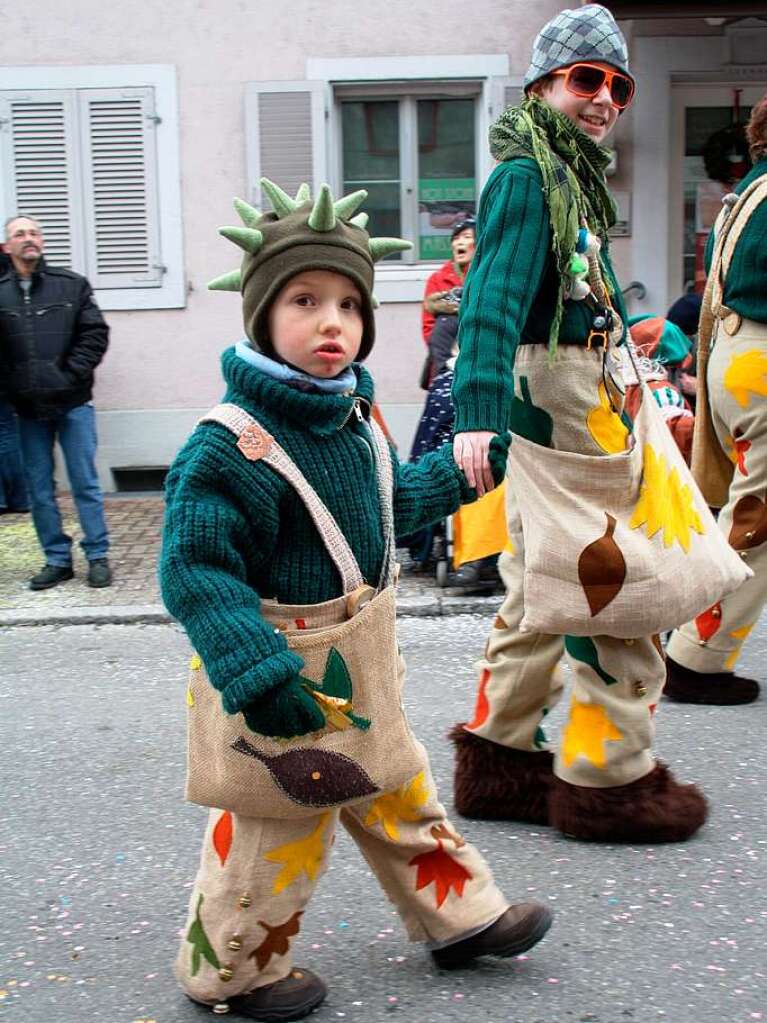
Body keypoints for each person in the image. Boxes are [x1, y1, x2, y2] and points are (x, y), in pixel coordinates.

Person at [159, 180, 551, 1021]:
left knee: (398, 784)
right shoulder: (228, 446)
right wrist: (257, 671)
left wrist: (455, 474)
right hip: (284, 675)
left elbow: (386, 508)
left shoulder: (353, 422)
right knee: (279, 821)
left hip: (360, 660)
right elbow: (195, 570)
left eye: (347, 302)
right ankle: (229, 971)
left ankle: (461, 915)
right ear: (261, 316)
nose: (331, 321)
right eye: (303, 300)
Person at [449, 4, 707, 843]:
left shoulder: (562, 171)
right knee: (614, 586)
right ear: (542, 86)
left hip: (565, 395)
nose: (603, 98)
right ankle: (607, 781)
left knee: (541, 588)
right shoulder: (529, 175)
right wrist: (476, 416)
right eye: (585, 79)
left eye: (617, 85)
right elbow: (487, 300)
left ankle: (497, 758)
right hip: (555, 404)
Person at [665, 94, 767, 706]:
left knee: (748, 510)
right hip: (759, 358)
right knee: (755, 519)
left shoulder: (748, 192)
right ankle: (696, 656)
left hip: (737, 355)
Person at [0, 216, 111, 589]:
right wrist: (12, 386)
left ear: (41, 241)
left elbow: (94, 334)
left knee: (85, 483)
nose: (28, 239)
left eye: (34, 232)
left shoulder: (71, 286)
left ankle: (97, 556)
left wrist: (69, 376)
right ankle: (57, 560)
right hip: (27, 410)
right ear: (7, 247)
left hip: (74, 403)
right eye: (20, 234)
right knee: (39, 490)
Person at [421, 218, 475, 345]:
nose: (460, 243)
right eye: (456, 238)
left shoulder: (487, 278)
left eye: (466, 237)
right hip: (445, 357)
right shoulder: (437, 279)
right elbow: (428, 328)